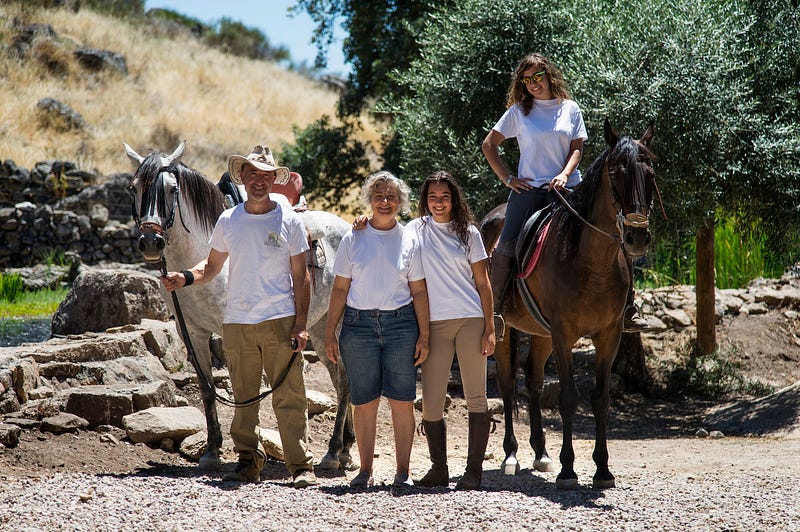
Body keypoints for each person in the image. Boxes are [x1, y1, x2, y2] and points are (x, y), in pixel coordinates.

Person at [161, 145, 318, 488]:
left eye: (266, 175)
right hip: (237, 322)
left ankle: (300, 466)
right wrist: (184, 277)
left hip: (279, 318)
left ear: (273, 180)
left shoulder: (289, 220)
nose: (259, 181)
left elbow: (301, 275)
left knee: (289, 395)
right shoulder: (228, 220)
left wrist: (301, 324)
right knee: (244, 397)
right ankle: (248, 462)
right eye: (253, 174)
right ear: (242, 177)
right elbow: (211, 266)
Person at [482, 53, 647, 333]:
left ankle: (629, 308)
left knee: (615, 235)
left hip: (569, 189)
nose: (533, 84)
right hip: (530, 191)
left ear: (549, 76)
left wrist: (564, 174)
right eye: (527, 80)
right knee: (507, 243)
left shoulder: (570, 108)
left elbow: (577, 149)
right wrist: (508, 179)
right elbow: (489, 145)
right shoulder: (518, 112)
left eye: (538, 77)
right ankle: (497, 312)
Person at [324, 170, 430, 488]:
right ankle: (365, 471)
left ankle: (403, 472)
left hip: (402, 326)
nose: (385, 202)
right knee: (364, 401)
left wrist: (424, 335)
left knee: (402, 401)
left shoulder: (410, 238)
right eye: (379, 196)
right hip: (358, 327)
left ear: (401, 202)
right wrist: (330, 333)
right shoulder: (353, 237)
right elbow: (340, 289)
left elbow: (419, 291)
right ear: (369, 200)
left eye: (391, 197)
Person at [407, 171, 495, 490]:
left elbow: (483, 284)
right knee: (431, 401)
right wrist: (362, 224)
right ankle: (439, 469)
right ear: (425, 200)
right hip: (433, 324)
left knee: (476, 396)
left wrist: (490, 328)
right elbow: (386, 235)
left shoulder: (469, 233)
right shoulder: (415, 229)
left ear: (454, 199)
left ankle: (473, 472)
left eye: (444, 197)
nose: (439, 202)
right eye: (433, 197)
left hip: (471, 319)